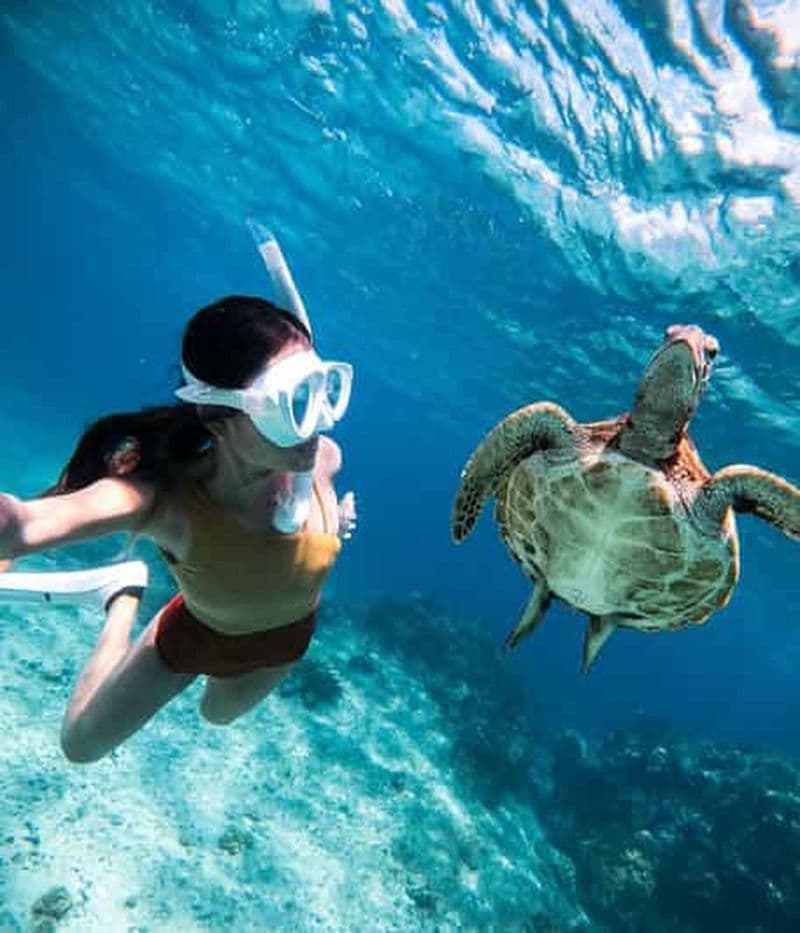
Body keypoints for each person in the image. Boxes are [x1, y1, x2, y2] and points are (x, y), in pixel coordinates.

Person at [0, 232, 356, 763]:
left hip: (285, 642)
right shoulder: (170, 503)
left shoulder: (319, 458)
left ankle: (132, 597)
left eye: (321, 392)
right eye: (293, 406)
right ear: (218, 417)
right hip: (199, 632)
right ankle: (120, 595)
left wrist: (337, 518)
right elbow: (28, 524)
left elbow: (318, 488)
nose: (318, 421)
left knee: (218, 715)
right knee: (80, 744)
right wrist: (12, 523)